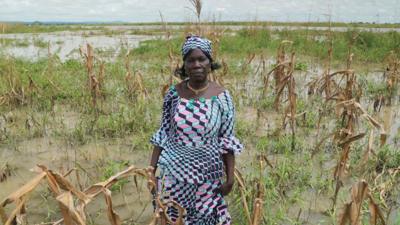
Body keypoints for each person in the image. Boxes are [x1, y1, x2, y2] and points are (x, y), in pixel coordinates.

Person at [149, 35, 243, 225]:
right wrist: (151, 170)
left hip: (208, 174)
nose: (197, 64)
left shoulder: (222, 97)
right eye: (191, 60)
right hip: (174, 173)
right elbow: (164, 133)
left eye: (202, 59)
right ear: (184, 65)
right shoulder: (173, 94)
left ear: (210, 63)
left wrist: (230, 177)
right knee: (173, 216)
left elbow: (227, 139)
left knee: (206, 217)